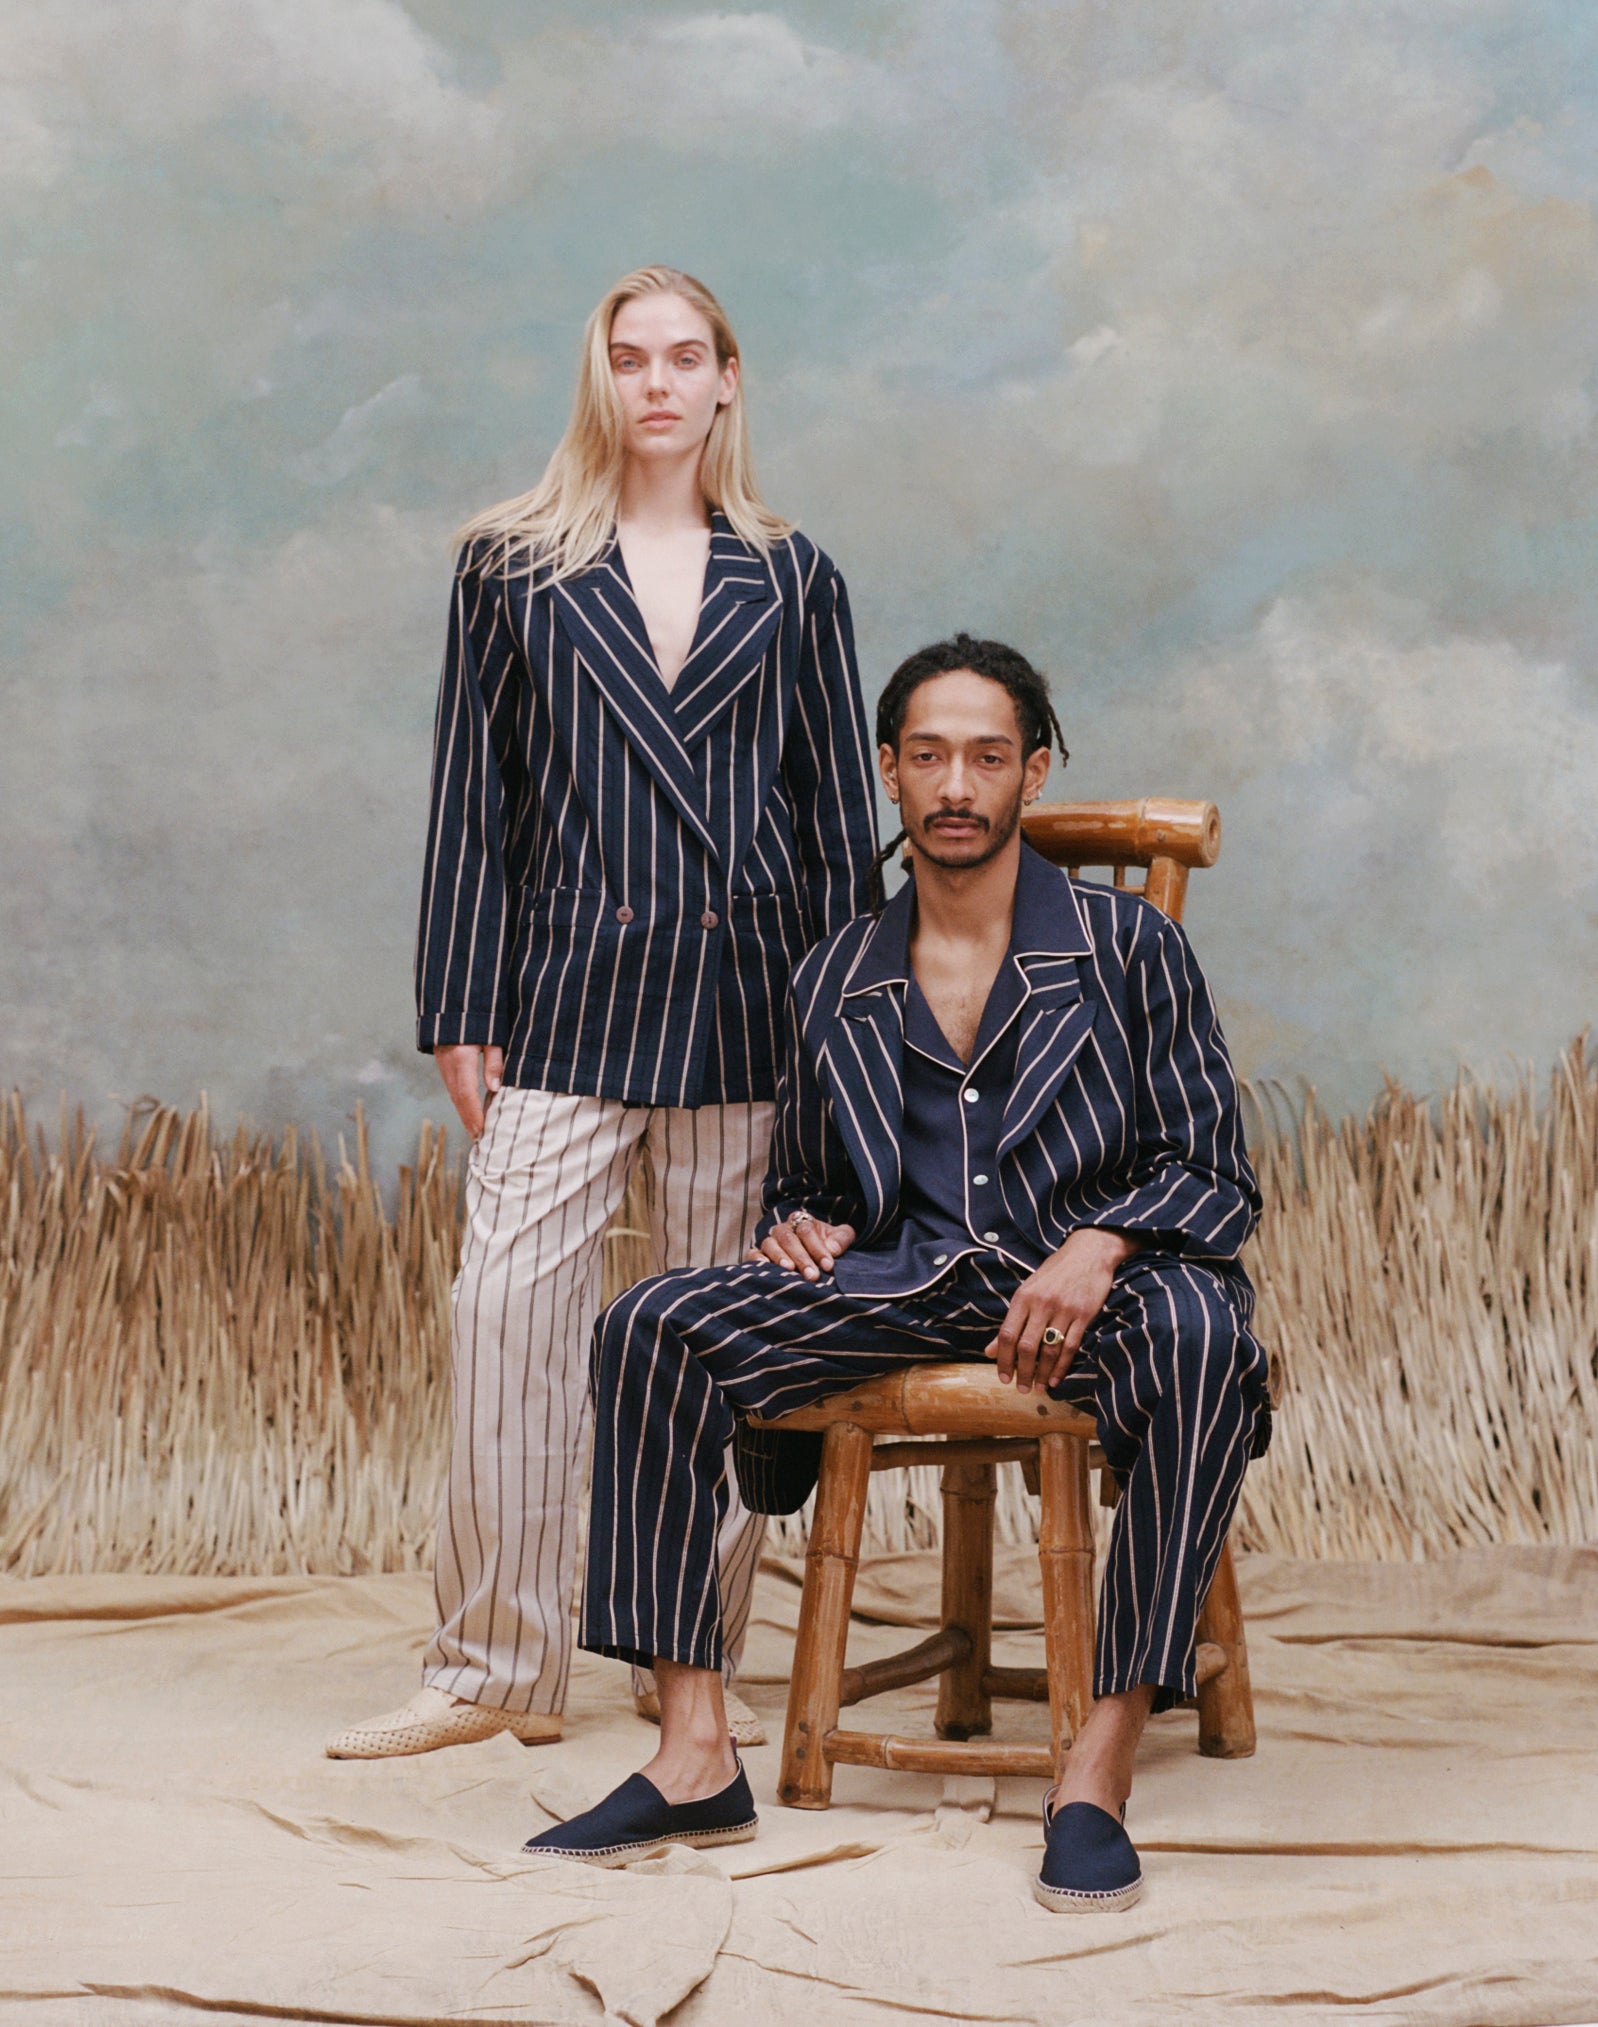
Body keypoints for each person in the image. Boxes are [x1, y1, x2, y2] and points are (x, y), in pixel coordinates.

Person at [524, 635, 1272, 1911]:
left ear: (1033, 770)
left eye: (987, 755)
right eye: (927, 755)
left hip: (1094, 1284)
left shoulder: (1127, 949)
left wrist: (1096, 1246)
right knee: (650, 1321)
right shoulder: (833, 975)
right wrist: (800, 1226)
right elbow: (813, 1178)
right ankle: (694, 1750)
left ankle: (1094, 1766)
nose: (956, 785)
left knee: (1205, 1335)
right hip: (905, 1280)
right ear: (889, 770)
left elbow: (1213, 1170)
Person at [328, 267, 879, 1760]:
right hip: (568, 995)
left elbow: (833, 819)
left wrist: (838, 1040)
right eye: (629, 357)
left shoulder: (795, 572)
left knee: (717, 1329)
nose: (655, 382)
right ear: (599, 377)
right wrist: (460, 1004)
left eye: (683, 356)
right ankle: (490, 1663)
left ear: (726, 380)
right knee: (503, 1310)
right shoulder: (508, 565)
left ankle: (678, 1655)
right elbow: (473, 806)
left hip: (749, 1002)